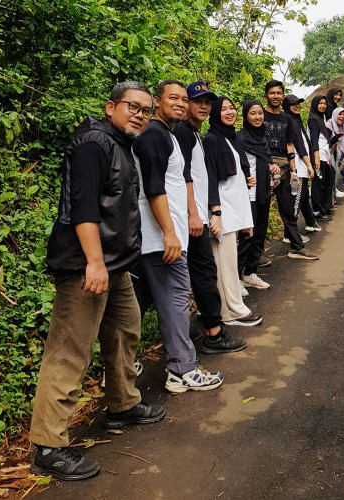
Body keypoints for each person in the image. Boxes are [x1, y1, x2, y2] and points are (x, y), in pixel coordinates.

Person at [29, 81, 164, 481]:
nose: (139, 114)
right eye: (132, 107)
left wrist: (111, 262)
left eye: (145, 109)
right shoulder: (93, 143)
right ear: (111, 106)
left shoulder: (123, 144)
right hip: (85, 265)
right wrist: (93, 263)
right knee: (70, 350)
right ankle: (49, 447)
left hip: (114, 263)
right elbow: (82, 207)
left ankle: (122, 405)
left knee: (125, 330)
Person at [133, 80, 224, 393]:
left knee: (139, 302)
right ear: (157, 101)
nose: (182, 104)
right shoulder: (154, 135)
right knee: (176, 300)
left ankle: (122, 362)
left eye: (184, 99)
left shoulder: (166, 134)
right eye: (174, 98)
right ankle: (182, 369)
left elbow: (176, 182)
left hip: (166, 237)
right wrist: (170, 233)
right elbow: (153, 187)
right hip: (162, 239)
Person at [173, 81, 247, 353]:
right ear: (186, 104)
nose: (204, 106)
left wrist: (212, 210)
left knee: (203, 273)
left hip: (200, 215)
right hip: (191, 219)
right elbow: (184, 176)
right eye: (198, 101)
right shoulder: (182, 132)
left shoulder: (193, 133)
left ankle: (211, 330)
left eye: (208, 102)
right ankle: (213, 334)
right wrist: (195, 214)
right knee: (204, 273)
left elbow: (204, 178)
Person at [202, 96, 263, 327]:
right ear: (215, 113)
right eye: (223, 109)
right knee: (224, 265)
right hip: (222, 212)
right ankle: (233, 312)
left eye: (232, 108)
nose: (229, 112)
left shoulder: (231, 138)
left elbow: (235, 176)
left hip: (234, 210)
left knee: (227, 262)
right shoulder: (211, 139)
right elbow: (208, 178)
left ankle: (227, 311)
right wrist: (215, 213)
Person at [263, 80, 318, 260]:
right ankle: (254, 258)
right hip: (263, 168)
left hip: (285, 168)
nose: (276, 96)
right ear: (266, 96)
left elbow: (289, 145)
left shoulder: (286, 119)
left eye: (279, 93)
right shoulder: (259, 115)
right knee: (260, 211)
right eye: (272, 93)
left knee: (288, 208)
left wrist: (294, 170)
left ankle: (296, 247)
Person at [237, 100, 280, 289]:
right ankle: (236, 278)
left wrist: (273, 166)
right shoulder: (238, 138)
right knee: (246, 237)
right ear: (246, 116)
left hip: (263, 192)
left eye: (260, 113)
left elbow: (267, 160)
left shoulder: (263, 139)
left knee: (259, 235)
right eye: (253, 113)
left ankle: (250, 273)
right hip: (246, 195)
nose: (257, 117)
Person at [283, 94, 319, 233]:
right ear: (287, 106)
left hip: (301, 166)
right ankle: (290, 234)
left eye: (298, 103)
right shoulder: (290, 122)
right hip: (297, 166)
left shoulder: (296, 121)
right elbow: (299, 147)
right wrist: (309, 165)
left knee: (302, 197)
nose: (297, 106)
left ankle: (309, 223)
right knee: (296, 201)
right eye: (293, 104)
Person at [307, 95, 337, 220]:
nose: (323, 106)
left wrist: (329, 154)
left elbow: (324, 139)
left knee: (328, 180)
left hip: (325, 154)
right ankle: (317, 211)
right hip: (318, 155)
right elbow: (314, 140)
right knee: (318, 184)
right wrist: (316, 157)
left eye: (324, 103)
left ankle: (324, 207)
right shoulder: (313, 119)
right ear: (315, 104)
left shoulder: (322, 117)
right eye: (320, 103)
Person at [327, 107, 344, 190]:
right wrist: (335, 138)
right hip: (327, 153)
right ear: (335, 115)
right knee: (330, 174)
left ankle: (334, 192)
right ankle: (332, 193)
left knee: (334, 172)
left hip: (335, 153)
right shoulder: (329, 125)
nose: (342, 117)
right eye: (340, 114)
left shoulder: (341, 128)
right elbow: (326, 143)